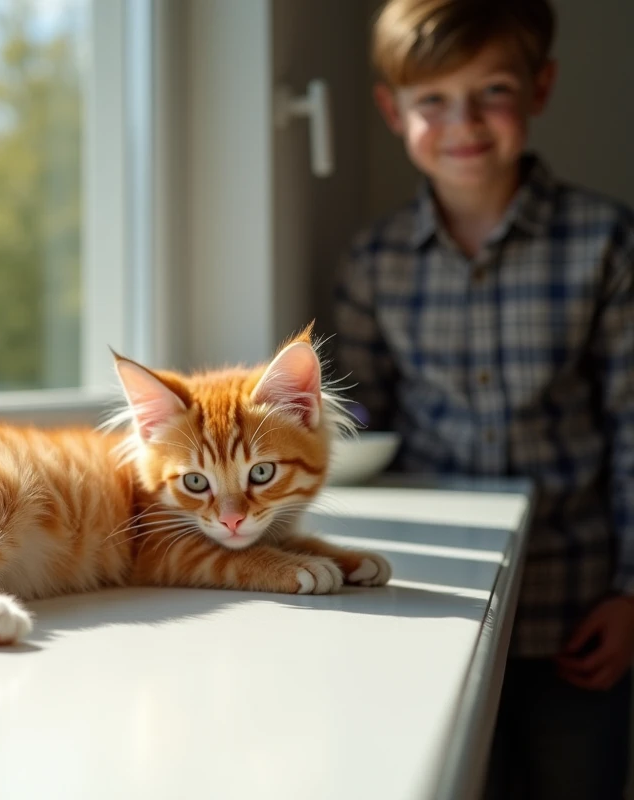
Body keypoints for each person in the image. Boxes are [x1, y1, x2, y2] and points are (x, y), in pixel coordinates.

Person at [333, 1, 634, 797]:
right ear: (392, 110)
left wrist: (633, 592)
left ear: (540, 87)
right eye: (433, 99)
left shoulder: (606, 243)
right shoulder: (375, 264)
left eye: (491, 90)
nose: (463, 122)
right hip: (439, 609)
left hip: (579, 608)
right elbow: (360, 429)